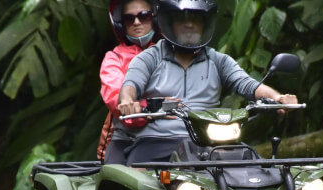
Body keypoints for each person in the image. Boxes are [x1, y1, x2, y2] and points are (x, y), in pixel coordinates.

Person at [117, 0, 297, 165]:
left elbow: (248, 84)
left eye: (196, 19)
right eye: (182, 19)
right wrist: (127, 102)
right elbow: (130, 85)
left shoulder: (218, 60)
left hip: (209, 142)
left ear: (205, 24)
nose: (189, 24)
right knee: (136, 180)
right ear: (170, 22)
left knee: (258, 172)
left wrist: (277, 97)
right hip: (157, 140)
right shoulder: (150, 58)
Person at [97, 0, 158, 165]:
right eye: (129, 18)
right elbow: (115, 96)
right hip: (126, 137)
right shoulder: (114, 58)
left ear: (155, 18)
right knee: (114, 182)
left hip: (166, 135)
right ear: (121, 24)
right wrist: (142, 107)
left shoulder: (167, 54)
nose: (137, 22)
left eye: (143, 16)